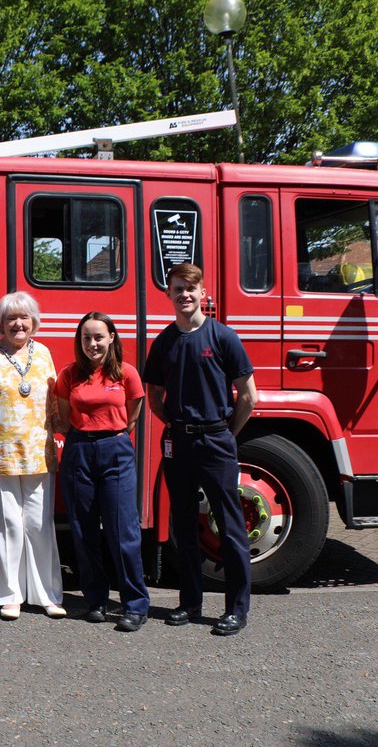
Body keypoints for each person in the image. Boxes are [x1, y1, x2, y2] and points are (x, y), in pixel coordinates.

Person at [143, 263, 257, 637]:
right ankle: (190, 603)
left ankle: (236, 609)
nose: (184, 295)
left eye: (191, 289)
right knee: (184, 526)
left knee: (230, 525)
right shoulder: (163, 342)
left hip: (216, 440)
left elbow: (249, 396)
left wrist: (226, 433)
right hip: (179, 441)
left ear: (203, 294)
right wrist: (178, 425)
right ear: (169, 295)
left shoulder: (224, 337)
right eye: (177, 289)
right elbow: (154, 397)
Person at [0, 292, 65, 620]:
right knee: (6, 524)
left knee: (38, 523)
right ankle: (9, 595)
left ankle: (46, 595)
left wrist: (62, 438)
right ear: (1, 323)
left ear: (33, 322)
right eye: (11, 319)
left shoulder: (45, 354)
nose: (18, 324)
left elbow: (53, 404)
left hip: (39, 453)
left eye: (24, 318)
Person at [55, 312, 150, 630]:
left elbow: (132, 414)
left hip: (116, 451)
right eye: (86, 338)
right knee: (83, 532)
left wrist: (112, 433)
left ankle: (135, 605)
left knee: (123, 531)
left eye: (98, 337)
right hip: (79, 450)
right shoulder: (70, 374)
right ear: (79, 342)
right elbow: (67, 416)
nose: (92, 343)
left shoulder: (127, 373)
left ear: (112, 337)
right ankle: (94, 601)